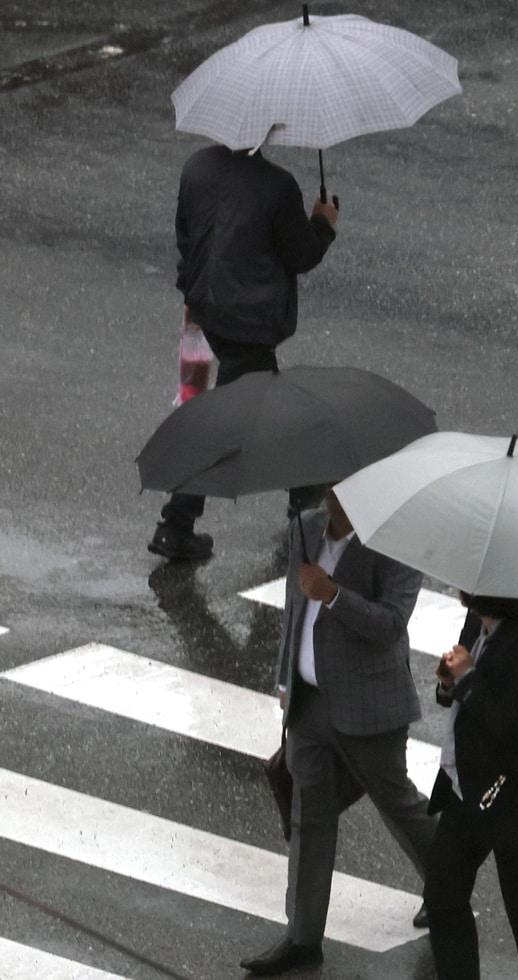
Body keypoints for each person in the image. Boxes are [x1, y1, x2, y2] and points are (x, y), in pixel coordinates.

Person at [241, 489, 435, 976]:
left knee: (397, 803)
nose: (330, 498)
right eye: (328, 489)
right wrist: (286, 678)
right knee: (310, 820)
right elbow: (292, 614)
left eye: (342, 488)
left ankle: (447, 881)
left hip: (368, 710)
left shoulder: (395, 544)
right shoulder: (304, 529)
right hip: (308, 706)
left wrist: (331, 594)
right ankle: (303, 938)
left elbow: (390, 625)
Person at [149, 143, 339, 561]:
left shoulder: (196, 166)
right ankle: (179, 524)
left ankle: (299, 501)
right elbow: (300, 254)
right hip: (248, 322)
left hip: (204, 307)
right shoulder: (277, 186)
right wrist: (323, 223)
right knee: (232, 421)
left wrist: (192, 291)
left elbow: (186, 236)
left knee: (251, 411)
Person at [424, 594, 518, 980]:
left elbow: (512, 728)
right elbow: (461, 699)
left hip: (517, 803)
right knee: (442, 897)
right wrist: (450, 681)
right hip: (466, 789)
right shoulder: (478, 626)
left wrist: (468, 679)